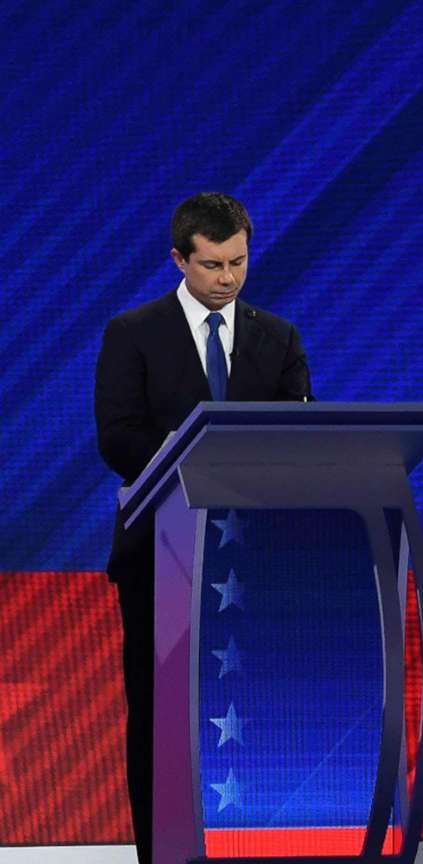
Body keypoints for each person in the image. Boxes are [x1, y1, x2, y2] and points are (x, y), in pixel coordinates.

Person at [94, 193, 313, 864]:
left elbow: (301, 432)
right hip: (163, 552)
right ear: (179, 259)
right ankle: (160, 854)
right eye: (213, 264)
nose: (228, 277)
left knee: (258, 715)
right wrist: (202, 462)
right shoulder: (133, 332)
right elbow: (118, 437)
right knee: (161, 717)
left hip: (257, 558)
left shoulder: (278, 337)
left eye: (239, 262)